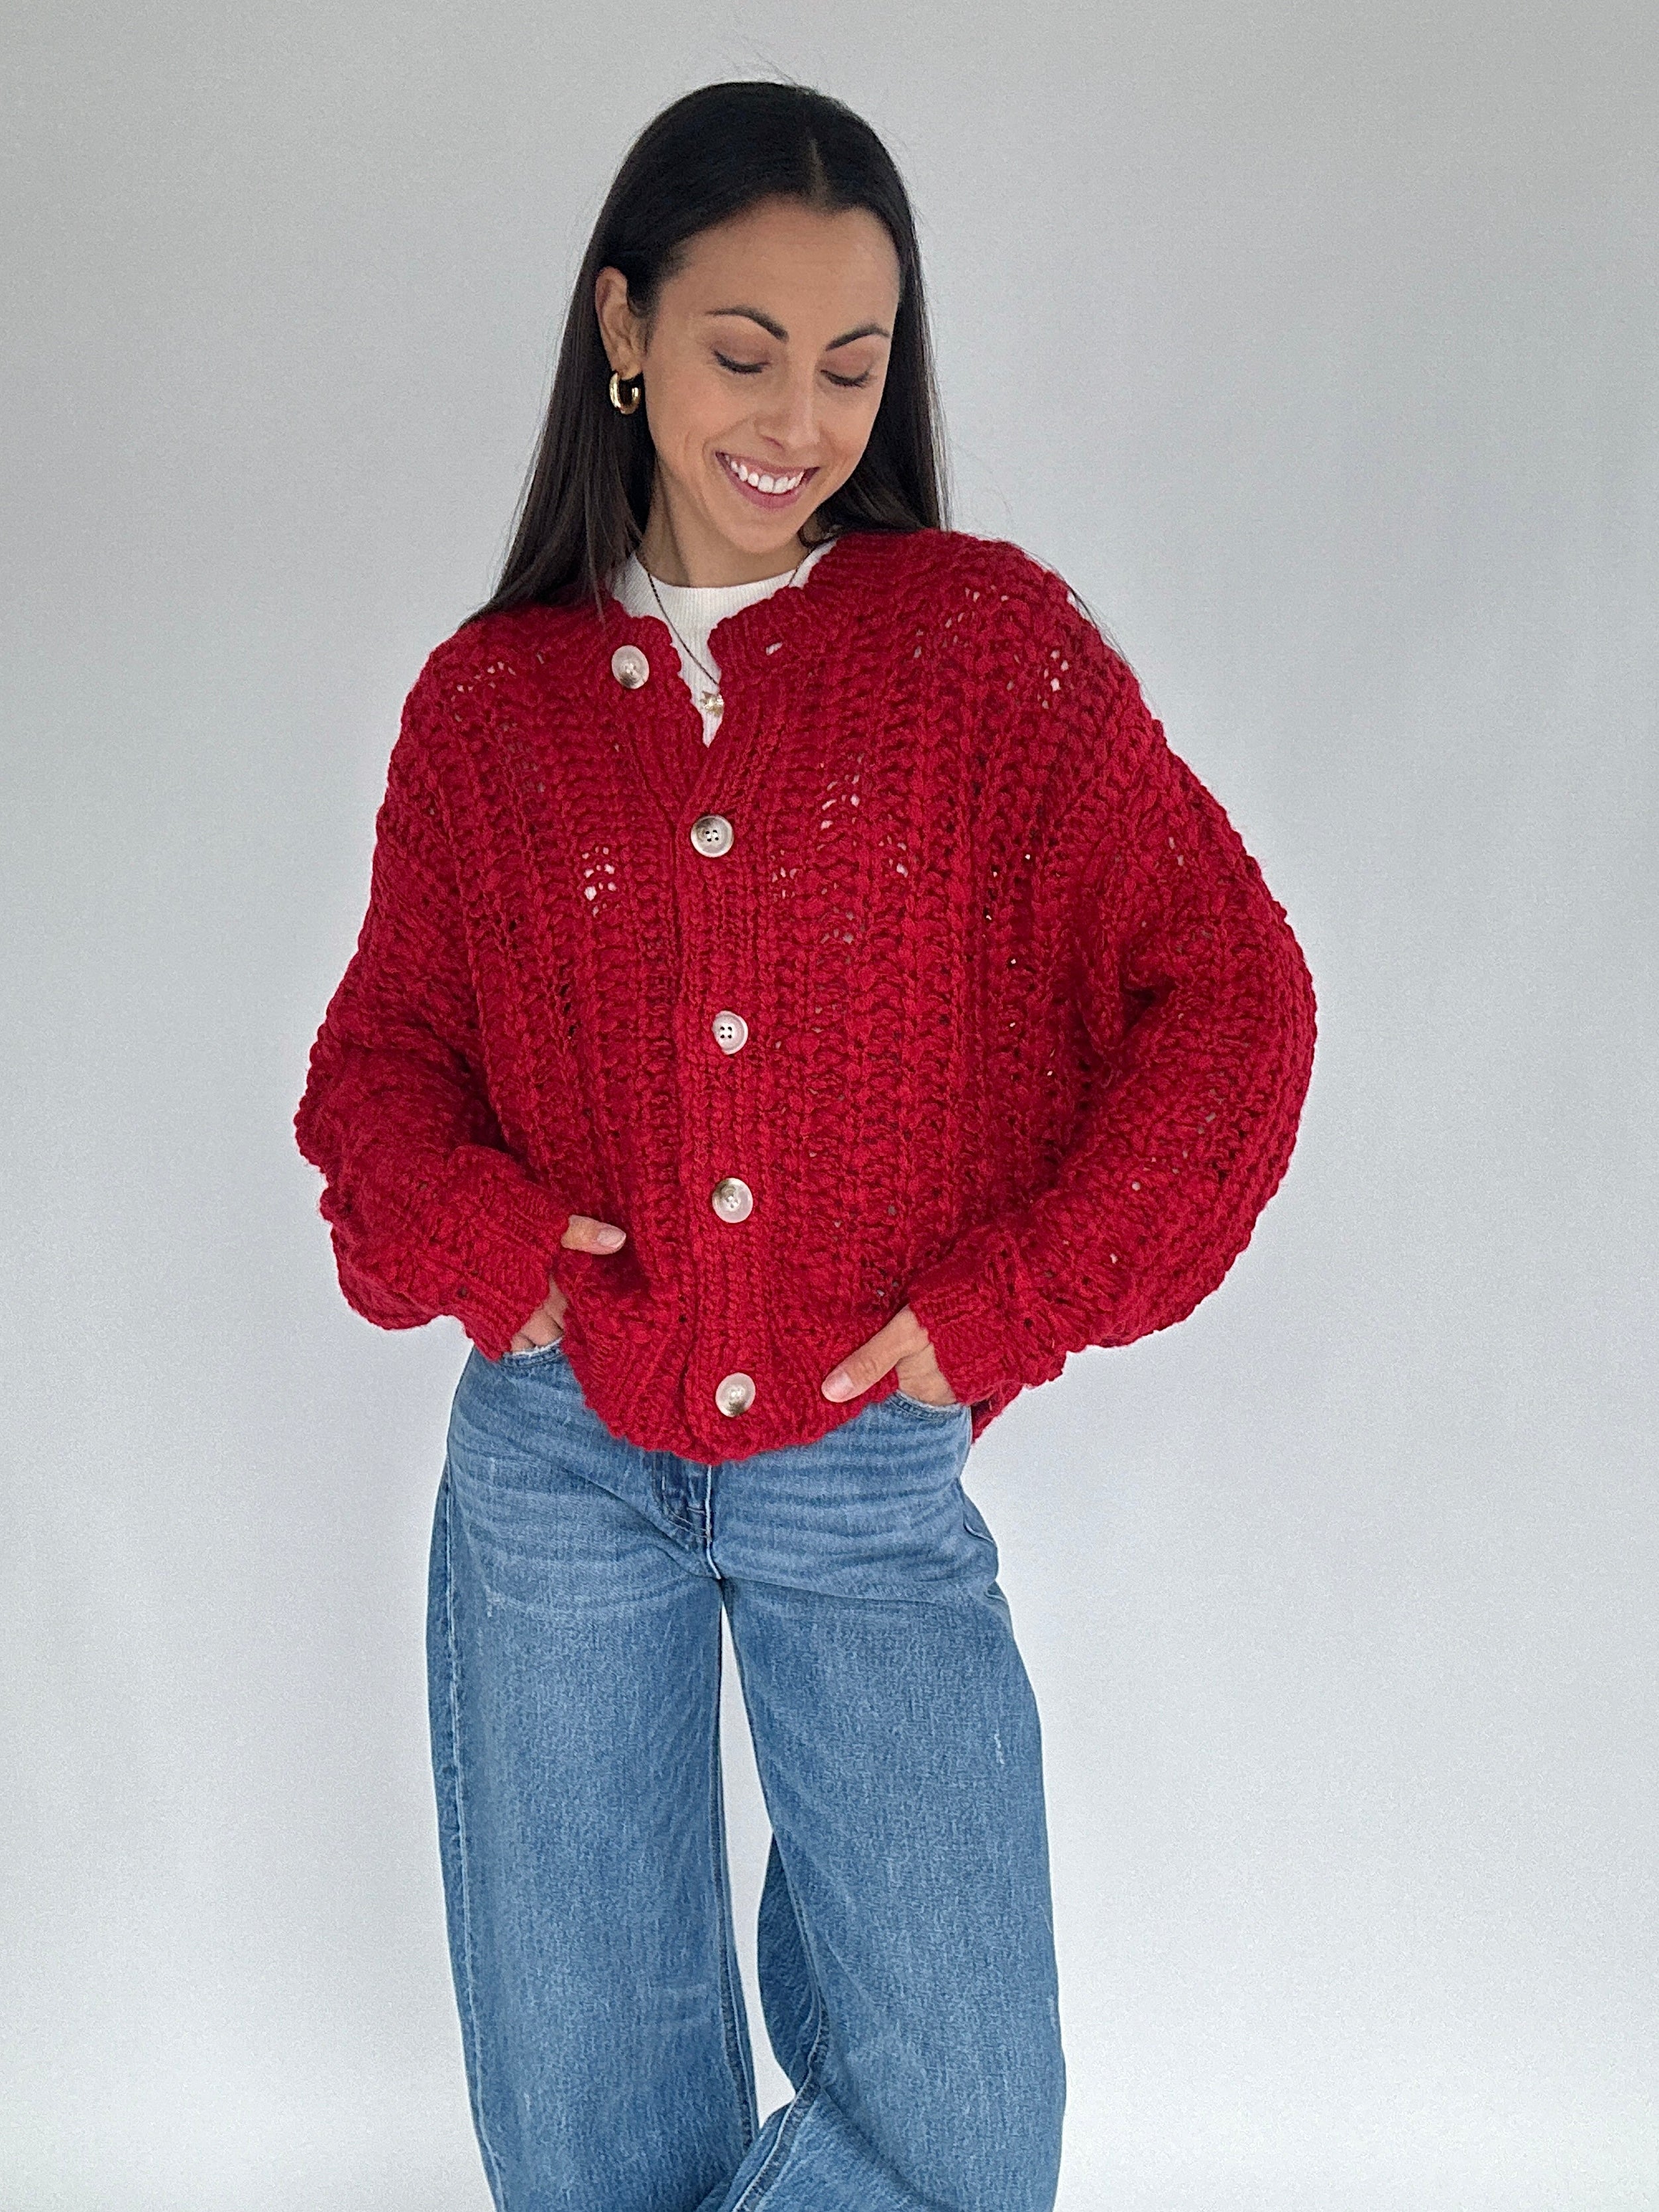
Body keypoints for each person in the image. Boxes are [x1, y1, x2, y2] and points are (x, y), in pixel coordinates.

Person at [293, 78, 1317, 2212]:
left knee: (961, 2126)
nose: (799, 417)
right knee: (597, 2142)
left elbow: (1232, 999)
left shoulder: (983, 652)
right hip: (559, 1462)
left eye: (853, 365)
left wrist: (1015, 1297)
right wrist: (513, 1258)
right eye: (744, 349)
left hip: (861, 1468)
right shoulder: (490, 707)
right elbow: (376, 1077)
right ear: (625, 328)